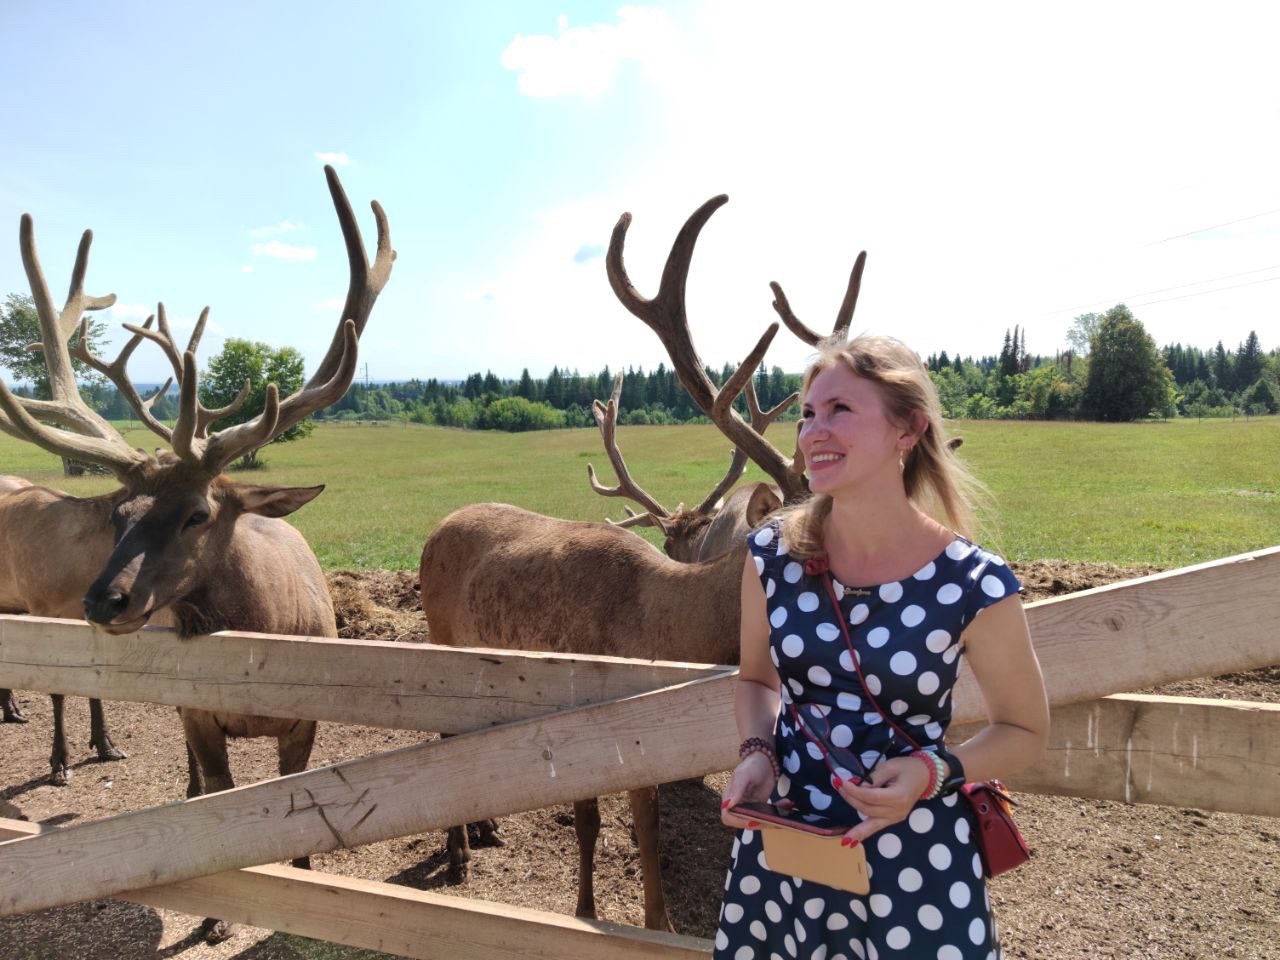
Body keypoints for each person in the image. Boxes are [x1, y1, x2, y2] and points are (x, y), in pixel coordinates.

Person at [716, 334, 1049, 959]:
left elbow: (1025, 731)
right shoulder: (770, 558)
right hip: (788, 846)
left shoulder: (974, 584)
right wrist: (758, 753)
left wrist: (933, 770)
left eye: (840, 410)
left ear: (908, 429)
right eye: (808, 414)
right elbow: (757, 681)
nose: (813, 431)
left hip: (915, 858)